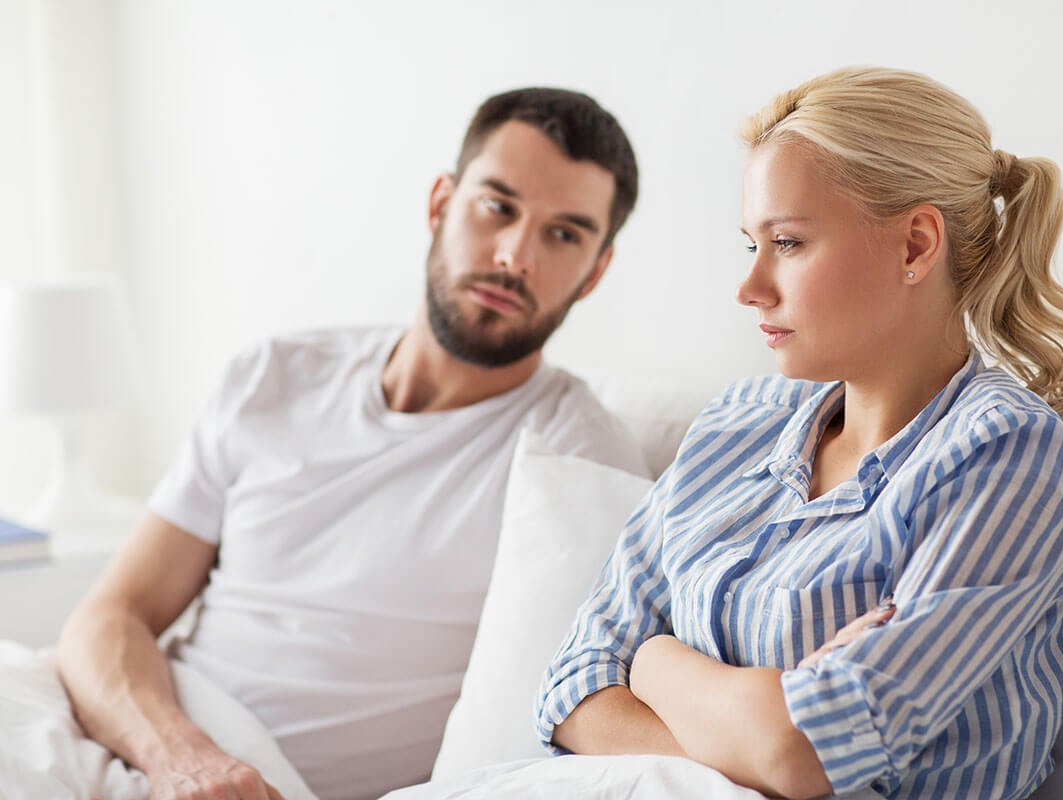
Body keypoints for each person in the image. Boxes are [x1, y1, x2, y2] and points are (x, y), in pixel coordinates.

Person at [56, 87, 649, 800]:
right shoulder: (274, 375)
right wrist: (182, 759)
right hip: (131, 734)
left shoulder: (578, 458)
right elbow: (110, 614)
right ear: (440, 204)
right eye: (498, 206)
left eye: (564, 234)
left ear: (599, 270)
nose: (514, 255)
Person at [537, 67, 1063, 800]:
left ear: (915, 246)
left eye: (788, 242)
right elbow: (571, 687)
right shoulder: (736, 424)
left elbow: (801, 755)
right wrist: (751, 716)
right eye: (752, 244)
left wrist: (653, 663)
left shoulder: (1002, 457)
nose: (750, 288)